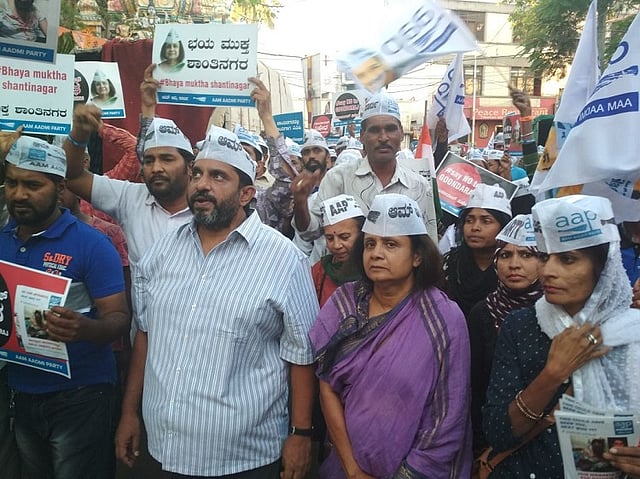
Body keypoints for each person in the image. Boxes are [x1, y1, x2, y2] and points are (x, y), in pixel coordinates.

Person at [115, 125, 319, 478]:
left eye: (218, 176)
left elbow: (302, 354)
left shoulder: (283, 260)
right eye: (197, 174)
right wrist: (129, 412)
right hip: (161, 449)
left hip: (242, 459)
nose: (202, 185)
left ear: (246, 194)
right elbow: (146, 335)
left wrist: (301, 434)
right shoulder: (161, 252)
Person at [310, 193, 471, 478]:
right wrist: (352, 469)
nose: (376, 253)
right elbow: (327, 386)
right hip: (344, 466)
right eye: (370, 244)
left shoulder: (444, 318)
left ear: (417, 256)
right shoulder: (344, 304)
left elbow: (448, 415)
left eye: (391, 244)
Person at [483, 195, 640, 478]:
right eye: (545, 257)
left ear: (603, 267)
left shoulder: (634, 334)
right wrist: (552, 374)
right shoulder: (521, 326)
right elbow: (498, 433)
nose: (548, 271)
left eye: (567, 259)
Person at [1, 136, 129, 479]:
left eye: (33, 185)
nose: (19, 194)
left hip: (80, 396)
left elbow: (119, 318)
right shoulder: (3, 238)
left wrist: (86, 329)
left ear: (60, 189)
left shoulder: (92, 244)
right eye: (12, 183)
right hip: (21, 390)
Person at [292, 91, 438, 245]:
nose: (383, 138)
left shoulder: (419, 186)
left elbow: (429, 245)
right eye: (374, 130)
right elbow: (311, 232)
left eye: (390, 129)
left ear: (401, 133)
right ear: (362, 136)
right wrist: (300, 203)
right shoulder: (338, 179)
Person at [466, 214, 543, 454]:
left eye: (527, 254)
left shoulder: (559, 312)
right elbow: (474, 387)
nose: (514, 264)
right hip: (491, 442)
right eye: (505, 255)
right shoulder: (482, 313)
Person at [443, 183, 512, 317]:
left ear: (503, 226)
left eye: (486, 221)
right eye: (469, 220)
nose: (475, 227)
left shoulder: (512, 267)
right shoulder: (449, 265)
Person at [312, 194, 364, 306]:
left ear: (361, 234)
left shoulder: (374, 270)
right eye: (330, 238)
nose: (336, 245)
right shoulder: (319, 271)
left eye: (344, 237)